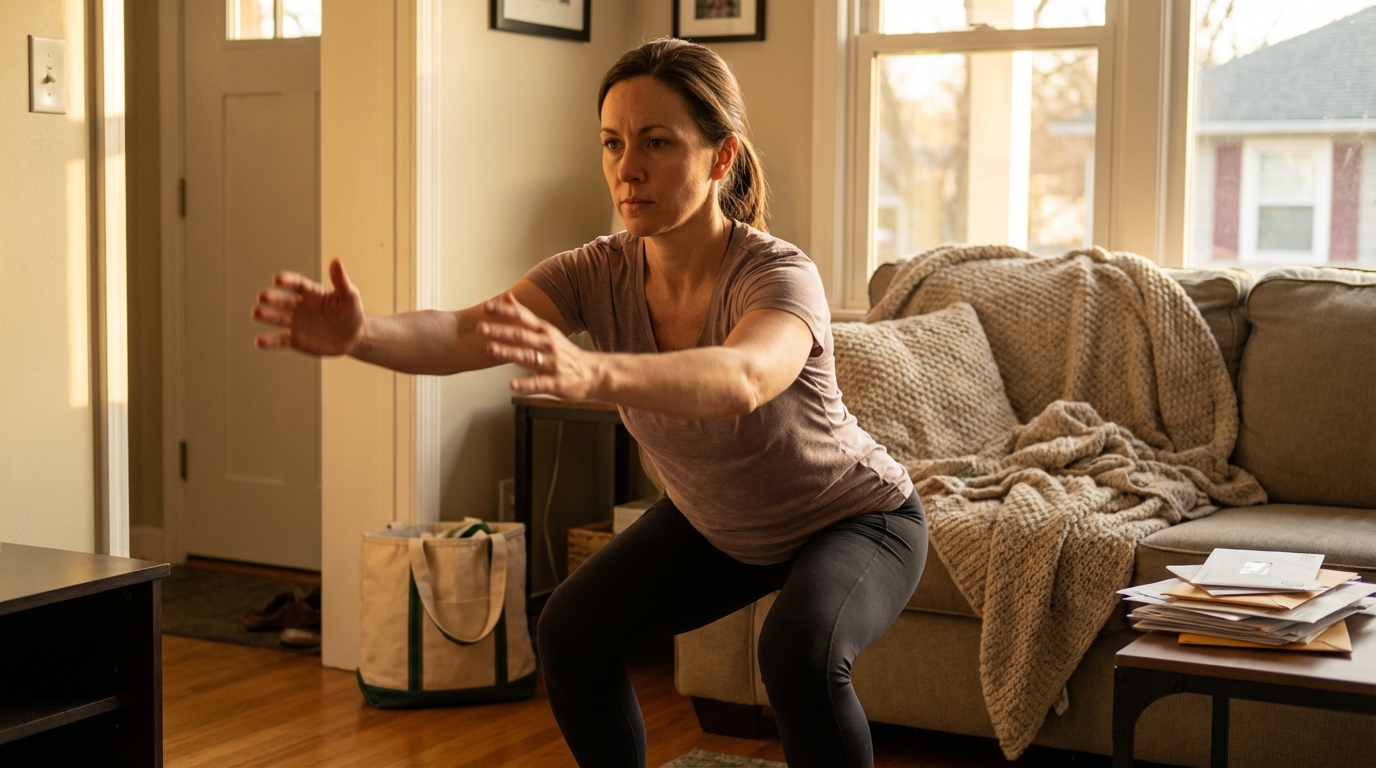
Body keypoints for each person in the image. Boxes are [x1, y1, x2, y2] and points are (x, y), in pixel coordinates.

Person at [252, 38, 926, 768]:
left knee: (796, 651)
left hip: (856, 520)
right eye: (612, 143)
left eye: (657, 143)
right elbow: (458, 332)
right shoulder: (593, 271)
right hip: (721, 526)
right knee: (571, 631)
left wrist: (594, 371)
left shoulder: (778, 274)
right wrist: (361, 333)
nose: (626, 168)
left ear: (721, 157)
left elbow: (741, 379)